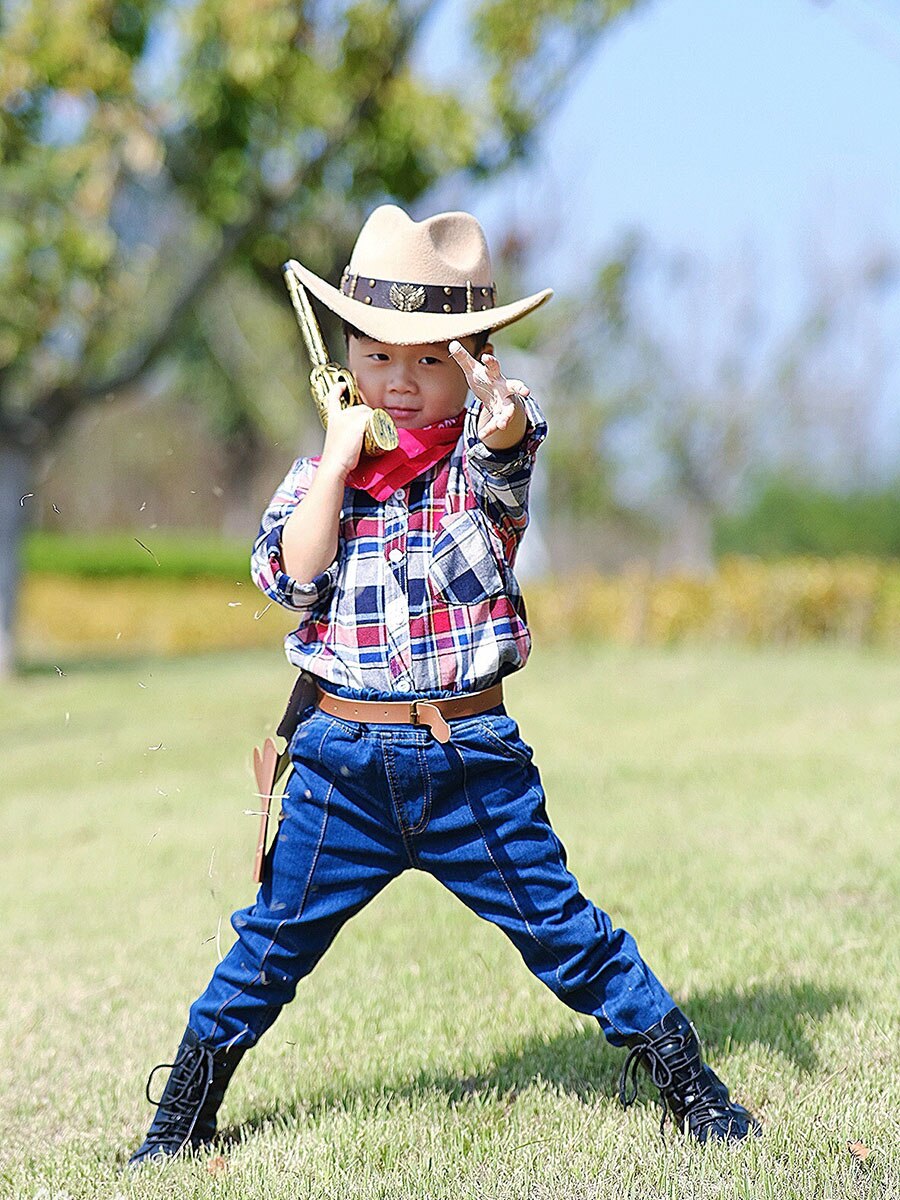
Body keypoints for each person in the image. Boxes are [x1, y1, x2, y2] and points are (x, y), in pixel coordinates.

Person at [128, 205, 759, 1166]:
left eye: (432, 361)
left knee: (564, 932)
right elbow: (291, 578)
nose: (404, 382)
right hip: (342, 768)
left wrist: (500, 414)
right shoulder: (315, 476)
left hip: (471, 765)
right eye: (380, 358)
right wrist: (340, 462)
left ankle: (689, 1084)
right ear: (345, 362)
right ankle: (179, 1117)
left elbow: (511, 441)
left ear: (471, 363)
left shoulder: (478, 469)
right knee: (267, 950)